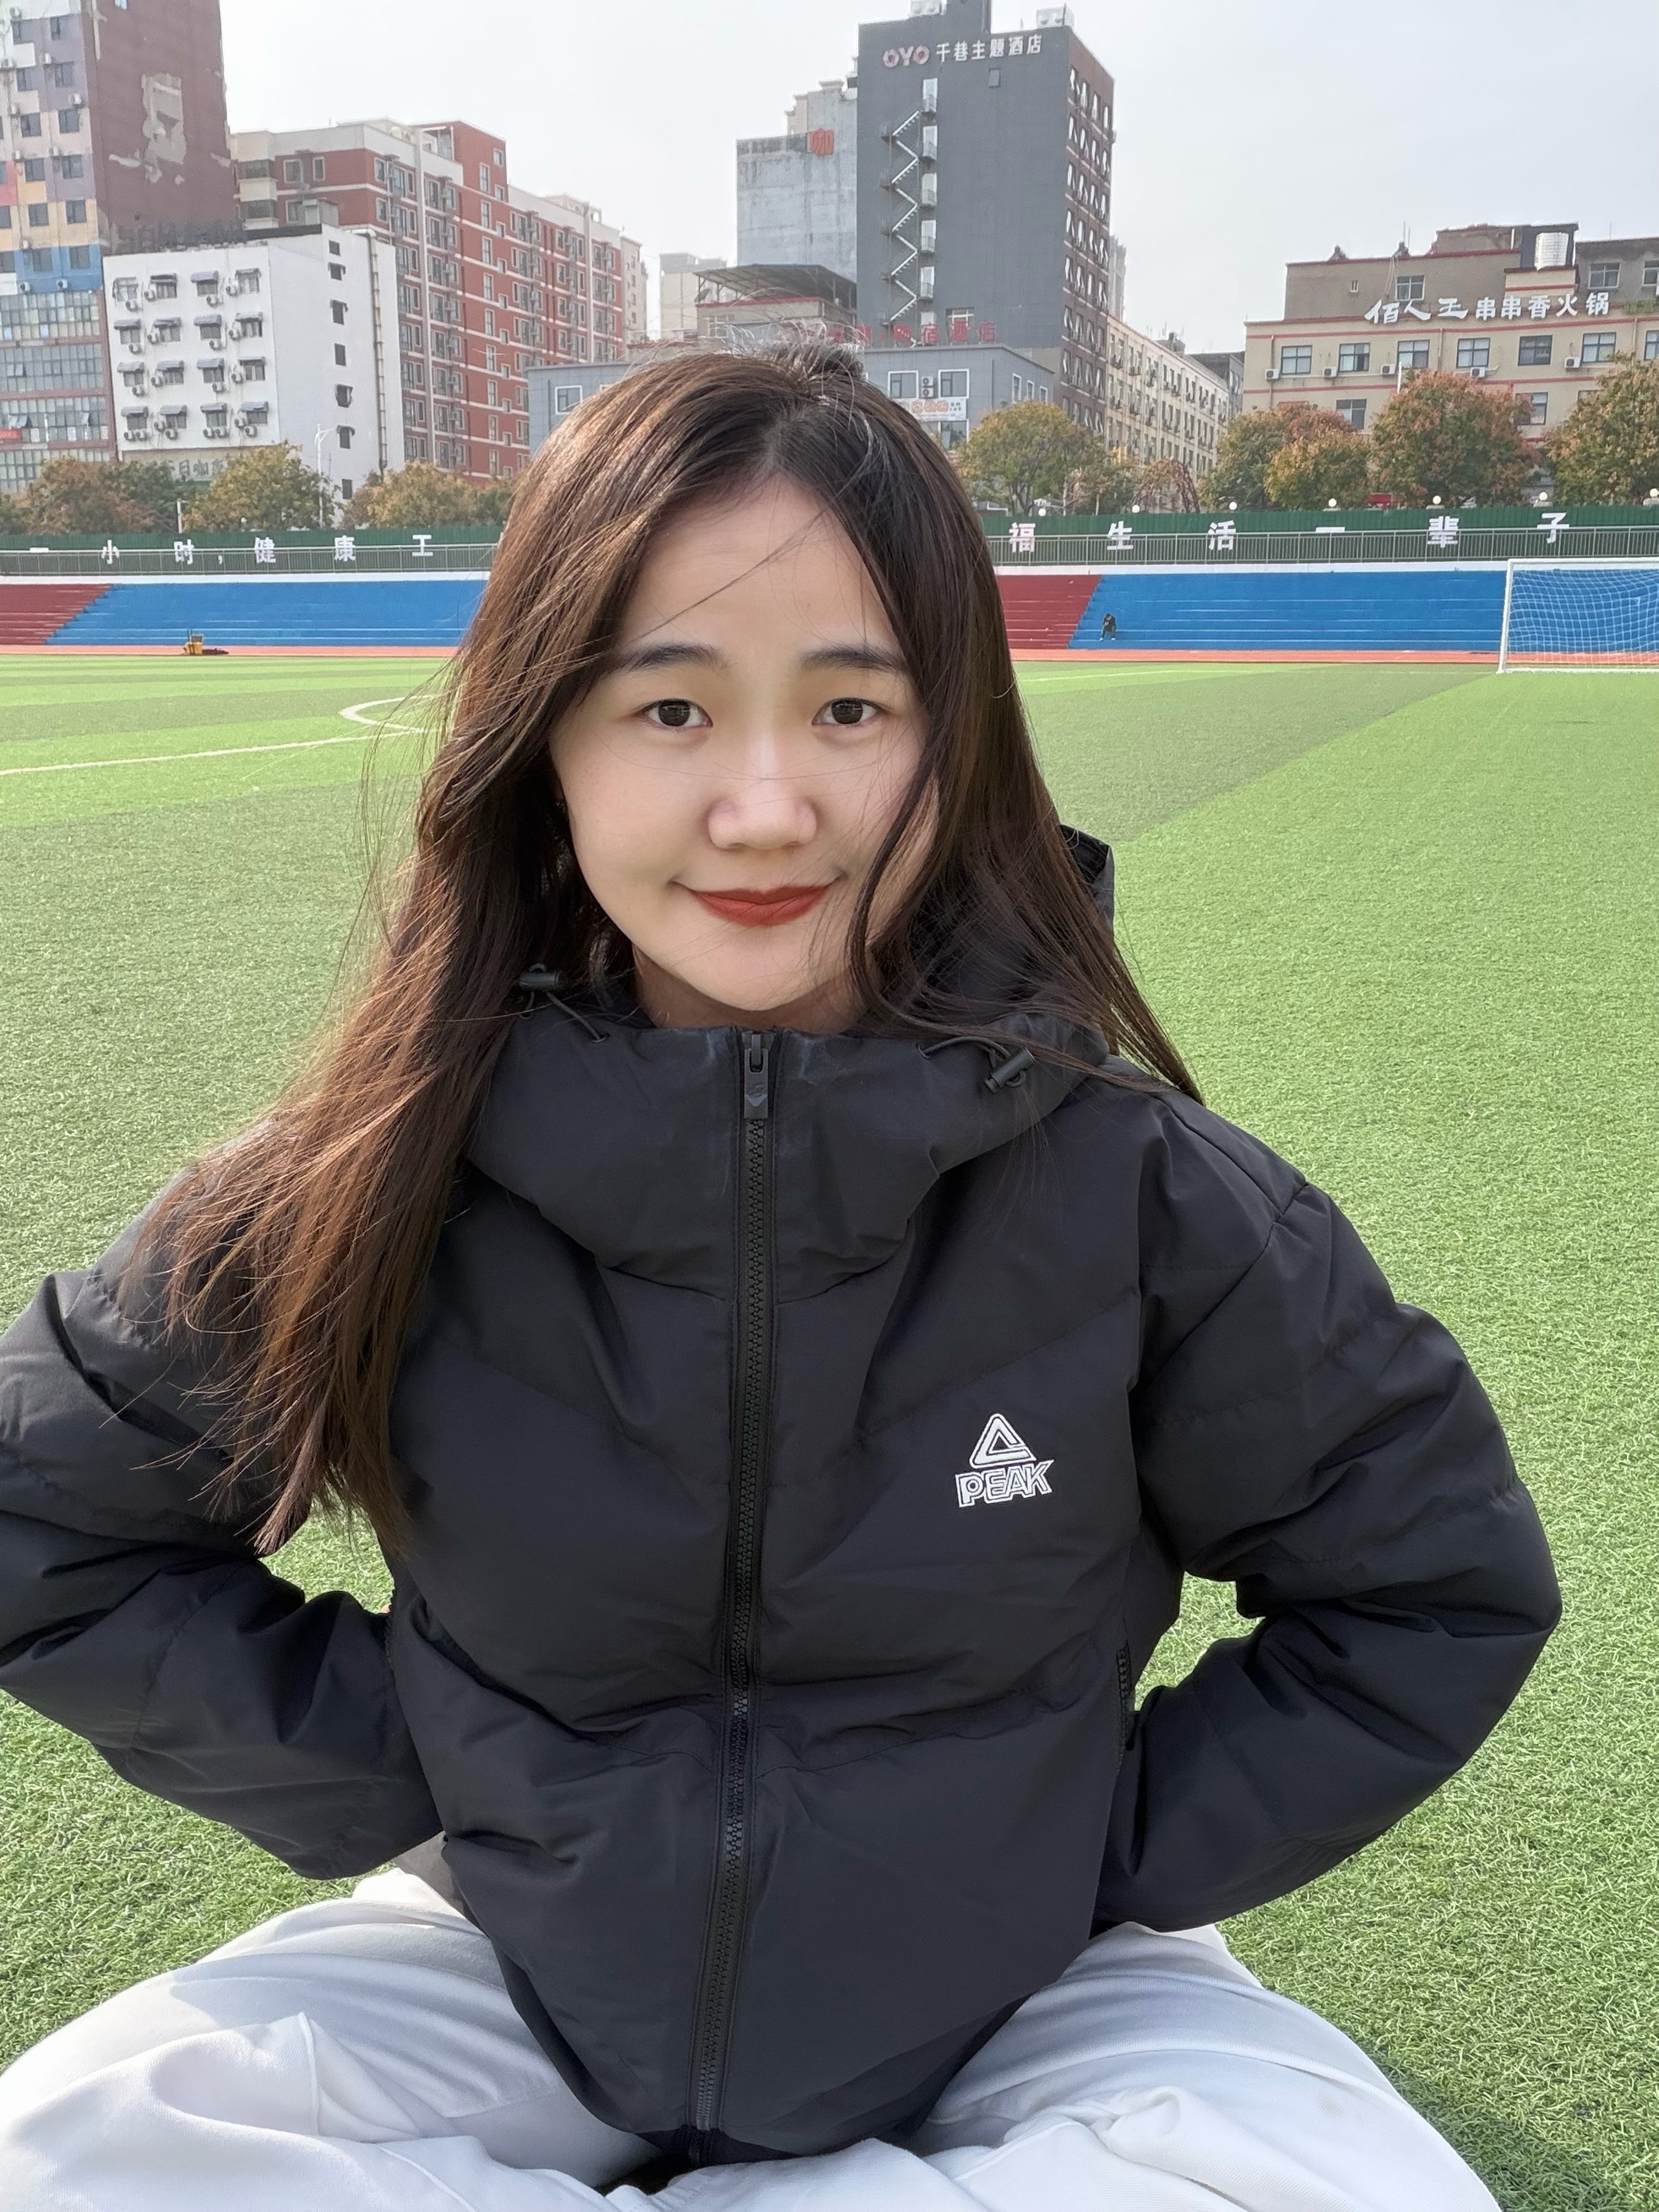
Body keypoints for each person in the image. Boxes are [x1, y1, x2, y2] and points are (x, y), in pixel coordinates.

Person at [0, 347, 1558, 2210]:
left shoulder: (1150, 1193)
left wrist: (1090, 1846)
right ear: (543, 741)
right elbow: (43, 1521)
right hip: (510, 1952)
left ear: (954, 742)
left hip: (1037, 1978)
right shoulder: (361, 1173)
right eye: (668, 706)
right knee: (63, 2160)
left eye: (850, 707)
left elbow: (1427, 1588)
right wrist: (434, 1779)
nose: (763, 806)